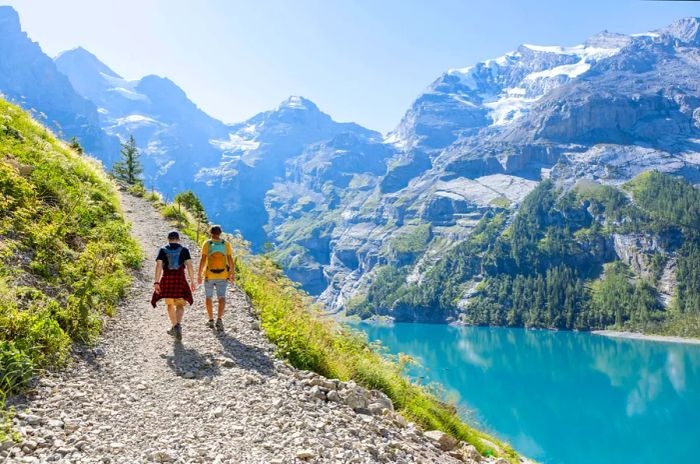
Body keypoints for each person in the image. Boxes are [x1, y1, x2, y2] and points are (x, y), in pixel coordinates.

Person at [151, 231, 196, 340]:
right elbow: (189, 266)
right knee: (180, 305)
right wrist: (192, 281)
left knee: (170, 304)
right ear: (178, 239)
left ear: (168, 239)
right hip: (180, 280)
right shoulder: (184, 250)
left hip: (167, 280)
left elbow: (158, 266)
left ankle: (175, 327)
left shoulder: (162, 250)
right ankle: (177, 326)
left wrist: (156, 282)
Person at [197, 225, 235, 331]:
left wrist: (199, 274)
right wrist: (232, 273)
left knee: (208, 297)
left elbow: (203, 260)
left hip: (209, 275)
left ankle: (210, 320)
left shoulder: (207, 243)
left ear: (210, 233)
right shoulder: (226, 244)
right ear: (220, 233)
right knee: (221, 297)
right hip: (223, 275)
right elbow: (230, 259)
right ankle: (219, 320)